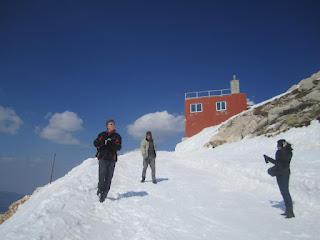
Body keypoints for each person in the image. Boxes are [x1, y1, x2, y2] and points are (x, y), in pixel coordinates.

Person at [264, 139, 295, 218]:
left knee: (285, 192)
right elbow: (279, 163)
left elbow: (279, 163)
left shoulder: (287, 152)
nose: (277, 147)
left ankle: (290, 212)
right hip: (281, 173)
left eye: (278, 145)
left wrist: (268, 158)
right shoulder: (285, 151)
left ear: (282, 145)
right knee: (283, 192)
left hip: (284, 174)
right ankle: (288, 210)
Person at [93, 119, 122, 202]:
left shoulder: (117, 136)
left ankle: (104, 194)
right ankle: (100, 190)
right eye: (111, 124)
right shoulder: (102, 134)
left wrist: (111, 144)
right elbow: (95, 143)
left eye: (113, 124)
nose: (112, 125)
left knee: (109, 177)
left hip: (112, 159)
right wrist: (102, 142)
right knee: (102, 176)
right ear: (107, 126)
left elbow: (119, 147)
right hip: (102, 157)